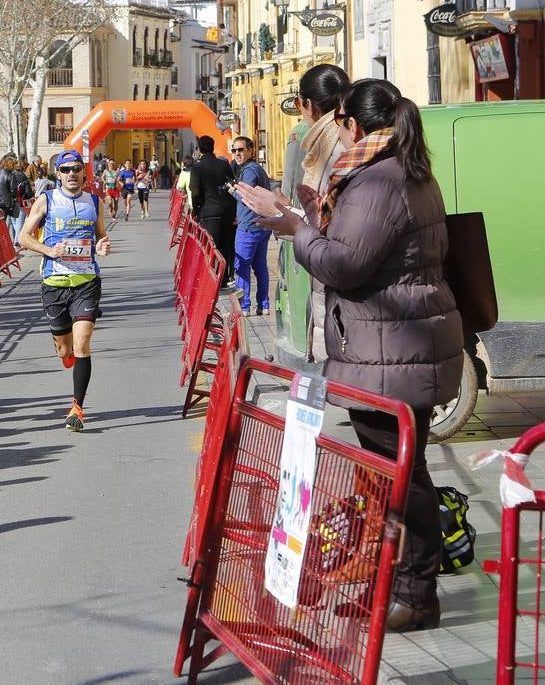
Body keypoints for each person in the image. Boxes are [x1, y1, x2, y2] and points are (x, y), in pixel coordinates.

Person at [235, 78, 462, 633]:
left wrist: (292, 226)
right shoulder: (403, 171)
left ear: (354, 127)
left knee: (402, 479)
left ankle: (414, 593)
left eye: (340, 124)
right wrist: (304, 216)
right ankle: (397, 587)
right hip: (393, 348)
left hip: (390, 352)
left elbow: (344, 263)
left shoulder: (378, 181)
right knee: (400, 474)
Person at [18, 149, 112, 431]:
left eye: (77, 169)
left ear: (84, 172)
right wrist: (49, 250)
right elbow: (23, 237)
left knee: (83, 344)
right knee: (64, 350)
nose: (72, 174)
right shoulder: (46, 200)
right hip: (54, 284)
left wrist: (102, 246)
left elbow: (101, 235)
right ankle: (66, 353)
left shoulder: (94, 201)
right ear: (57, 174)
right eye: (66, 170)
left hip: (86, 282)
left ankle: (77, 409)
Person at [296, 63, 351, 361]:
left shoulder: (336, 148)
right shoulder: (324, 143)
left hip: (339, 291)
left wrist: (295, 224)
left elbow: (331, 221)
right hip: (330, 286)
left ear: (308, 104)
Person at [229, 137, 271, 315]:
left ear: (251, 150)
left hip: (249, 227)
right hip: (263, 225)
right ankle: (264, 304)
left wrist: (232, 191)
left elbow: (249, 197)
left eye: (241, 150)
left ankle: (244, 307)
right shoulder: (258, 169)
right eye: (234, 151)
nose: (237, 154)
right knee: (260, 266)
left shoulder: (249, 171)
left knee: (242, 266)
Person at [188, 136, 236, 271]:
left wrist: (196, 210)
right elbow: (232, 185)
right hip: (226, 211)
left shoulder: (197, 168)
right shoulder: (223, 165)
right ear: (213, 147)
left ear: (200, 149)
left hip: (208, 212)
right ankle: (227, 275)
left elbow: (195, 192)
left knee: (211, 247)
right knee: (226, 245)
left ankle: (214, 276)